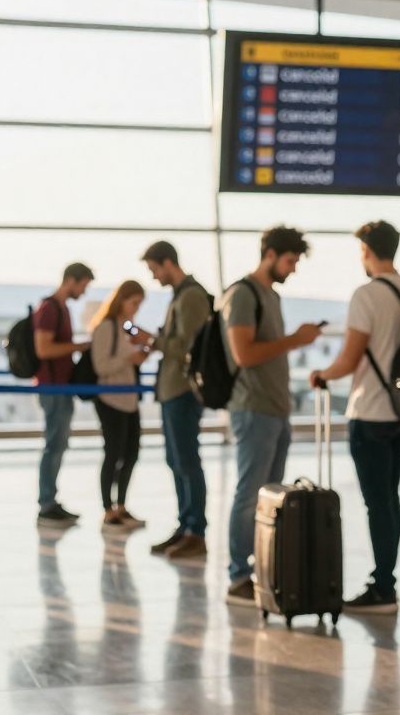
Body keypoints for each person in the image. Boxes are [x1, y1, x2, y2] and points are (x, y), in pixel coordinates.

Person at [309, 221, 400, 615]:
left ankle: (382, 588)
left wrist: (322, 375)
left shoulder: (366, 294)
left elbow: (349, 358)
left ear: (367, 252)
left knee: (377, 503)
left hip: (370, 411)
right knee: (390, 498)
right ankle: (387, 580)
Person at [221, 226, 322, 606]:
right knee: (250, 494)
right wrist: (296, 339)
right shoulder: (243, 295)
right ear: (270, 254)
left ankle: (262, 570)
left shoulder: (271, 297)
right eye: (290, 261)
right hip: (253, 408)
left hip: (275, 409)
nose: (292, 269)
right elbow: (244, 354)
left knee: (269, 497)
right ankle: (239, 575)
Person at [142, 241, 212, 559]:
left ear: (168, 263)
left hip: (182, 390)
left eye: (154, 269)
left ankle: (196, 531)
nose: (154, 276)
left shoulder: (191, 296)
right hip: (172, 389)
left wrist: (153, 340)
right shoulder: (181, 295)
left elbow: (188, 348)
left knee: (186, 461)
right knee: (176, 460)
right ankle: (185, 526)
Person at [34, 262, 94, 527]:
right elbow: (44, 349)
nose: (84, 291)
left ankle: (50, 500)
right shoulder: (49, 309)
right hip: (53, 387)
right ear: (71, 280)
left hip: (61, 386)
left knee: (58, 444)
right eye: (83, 285)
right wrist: (78, 347)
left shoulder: (62, 309)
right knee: (54, 444)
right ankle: (46, 503)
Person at [88, 280, 151, 530]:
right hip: (110, 399)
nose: (136, 308)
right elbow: (101, 366)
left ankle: (122, 506)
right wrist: (129, 357)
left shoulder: (126, 328)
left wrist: (138, 354)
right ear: (121, 300)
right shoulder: (106, 327)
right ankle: (108, 509)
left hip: (129, 399)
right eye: (134, 303)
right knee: (113, 453)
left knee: (131, 453)